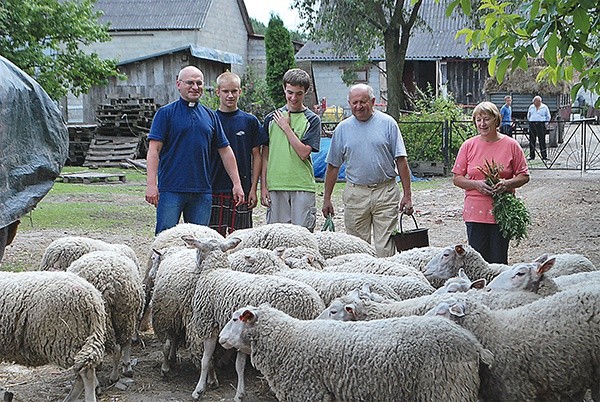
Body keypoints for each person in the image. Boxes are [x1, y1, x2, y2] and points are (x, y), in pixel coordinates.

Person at [145, 66, 244, 235]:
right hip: (171, 190)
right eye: (190, 82)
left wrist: (237, 184)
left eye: (199, 83)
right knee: (165, 240)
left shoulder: (210, 116)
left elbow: (225, 150)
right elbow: (154, 150)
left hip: (202, 191)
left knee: (200, 241)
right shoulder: (165, 114)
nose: (195, 87)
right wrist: (151, 184)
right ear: (178, 84)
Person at [322, 84, 414, 258]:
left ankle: (384, 281)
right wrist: (327, 198)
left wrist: (407, 195)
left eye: (363, 102)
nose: (358, 106)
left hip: (385, 191)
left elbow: (401, 161)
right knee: (357, 248)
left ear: (372, 102)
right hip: (356, 193)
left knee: (385, 248)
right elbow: (333, 166)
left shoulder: (388, 124)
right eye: (354, 102)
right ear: (349, 103)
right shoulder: (342, 129)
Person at [452, 101, 530, 264]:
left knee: (498, 260)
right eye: (478, 120)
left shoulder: (511, 145)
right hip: (475, 212)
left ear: (496, 120)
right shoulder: (468, 146)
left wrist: (506, 184)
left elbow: (524, 176)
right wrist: (476, 185)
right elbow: (457, 178)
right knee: (477, 261)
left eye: (486, 119)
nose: (482, 123)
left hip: (501, 211)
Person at [260, 68, 321, 231]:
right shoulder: (270, 119)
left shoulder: (312, 120)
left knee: (302, 238)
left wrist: (286, 127)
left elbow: (303, 153)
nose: (293, 98)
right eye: (290, 92)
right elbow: (265, 154)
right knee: (277, 238)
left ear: (305, 92)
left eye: (299, 93)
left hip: (301, 185)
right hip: (276, 185)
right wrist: (264, 186)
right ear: (284, 89)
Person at [209, 71, 268, 236]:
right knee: (214, 238)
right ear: (217, 92)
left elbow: (257, 155)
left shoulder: (249, 121)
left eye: (234, 91)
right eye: (226, 91)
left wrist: (253, 188)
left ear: (240, 92)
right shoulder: (209, 119)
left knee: (241, 239)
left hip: (242, 189)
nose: (230, 95)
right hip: (214, 187)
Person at [527, 95, 551, 160]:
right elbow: (528, 116)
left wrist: (545, 123)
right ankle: (532, 156)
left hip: (541, 124)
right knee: (532, 140)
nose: (535, 103)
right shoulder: (531, 107)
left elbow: (548, 116)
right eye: (534, 102)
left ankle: (544, 156)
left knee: (542, 140)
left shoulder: (544, 107)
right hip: (532, 124)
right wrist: (531, 121)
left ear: (539, 101)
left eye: (536, 101)